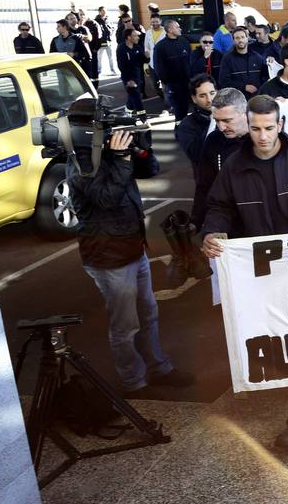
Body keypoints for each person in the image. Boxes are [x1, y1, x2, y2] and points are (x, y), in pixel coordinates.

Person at [200, 95, 288, 452]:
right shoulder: (234, 167)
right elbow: (218, 206)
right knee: (286, 336)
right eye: (255, 128)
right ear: (246, 126)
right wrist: (213, 231)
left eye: (269, 128)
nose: (263, 136)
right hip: (266, 272)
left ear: (280, 125)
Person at [65, 103, 193, 394]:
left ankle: (158, 367)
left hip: (133, 247)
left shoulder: (111, 150)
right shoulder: (81, 160)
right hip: (108, 257)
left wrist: (140, 147)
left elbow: (151, 170)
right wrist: (122, 157)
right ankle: (133, 381)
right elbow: (106, 198)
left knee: (148, 313)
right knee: (126, 325)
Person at [191, 87, 250, 230]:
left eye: (227, 120)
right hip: (228, 221)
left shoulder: (263, 140)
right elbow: (204, 185)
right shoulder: (213, 141)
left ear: (245, 113)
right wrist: (195, 220)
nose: (221, 127)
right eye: (217, 121)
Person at [175, 74, 217, 174]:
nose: (209, 100)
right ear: (194, 98)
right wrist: (213, 122)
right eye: (202, 95)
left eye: (212, 93)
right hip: (207, 178)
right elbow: (196, 154)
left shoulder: (230, 116)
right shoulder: (186, 125)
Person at [152, 19, 193, 119]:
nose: (180, 29)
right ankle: (179, 132)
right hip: (173, 86)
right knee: (179, 113)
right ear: (170, 30)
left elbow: (190, 61)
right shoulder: (160, 47)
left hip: (188, 84)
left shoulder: (184, 42)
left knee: (189, 111)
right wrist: (168, 82)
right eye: (177, 27)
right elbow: (159, 68)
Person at [217, 27, 266, 97]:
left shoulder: (257, 57)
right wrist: (244, 86)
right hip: (236, 99)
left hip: (256, 98)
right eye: (237, 38)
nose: (240, 40)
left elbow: (265, 76)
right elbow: (223, 81)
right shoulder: (227, 59)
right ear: (233, 40)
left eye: (242, 37)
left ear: (247, 38)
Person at [116, 28, 148, 111]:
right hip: (128, 77)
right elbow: (121, 66)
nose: (138, 37)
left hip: (137, 76)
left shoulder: (137, 47)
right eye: (135, 36)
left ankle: (127, 111)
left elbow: (143, 60)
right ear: (129, 37)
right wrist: (128, 80)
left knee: (133, 97)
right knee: (136, 98)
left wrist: (147, 57)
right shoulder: (121, 49)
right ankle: (143, 118)